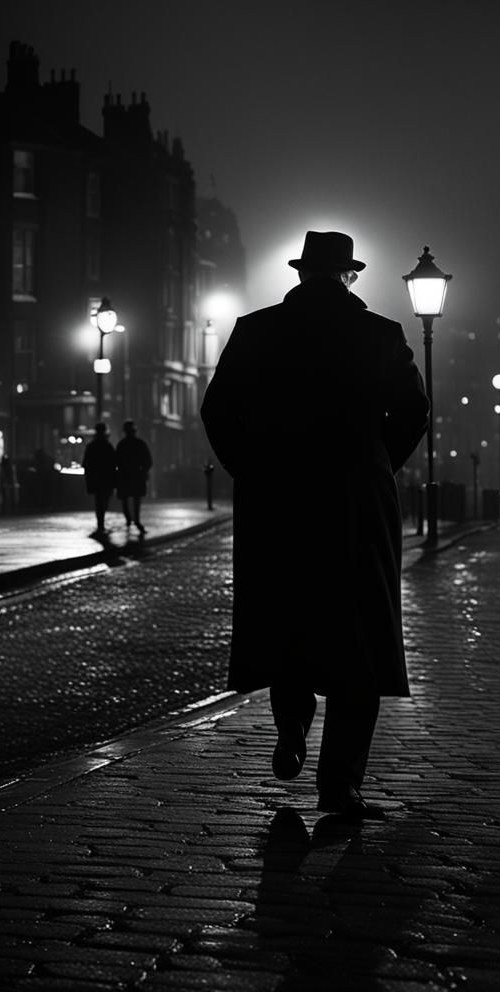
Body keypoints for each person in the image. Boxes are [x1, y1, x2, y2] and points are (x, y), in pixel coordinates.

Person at [201, 230, 429, 819]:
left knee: (287, 622)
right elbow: (413, 412)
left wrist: (248, 468)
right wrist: (378, 464)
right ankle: (341, 786)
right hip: (356, 501)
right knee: (360, 642)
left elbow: (217, 410)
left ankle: (292, 728)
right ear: (349, 276)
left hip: (277, 499)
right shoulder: (382, 334)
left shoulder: (257, 329)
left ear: (301, 275)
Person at [115, 419, 153, 534]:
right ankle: (136, 520)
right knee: (136, 499)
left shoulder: (121, 444)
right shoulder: (140, 444)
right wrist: (143, 470)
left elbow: (116, 461)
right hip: (137, 475)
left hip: (125, 476)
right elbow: (148, 460)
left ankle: (128, 519)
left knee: (125, 499)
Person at [82, 422, 116, 534]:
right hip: (106, 479)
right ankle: (101, 523)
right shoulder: (107, 445)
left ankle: (100, 523)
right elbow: (113, 463)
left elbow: (86, 463)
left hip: (96, 479)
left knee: (98, 501)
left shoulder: (91, 446)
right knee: (104, 501)